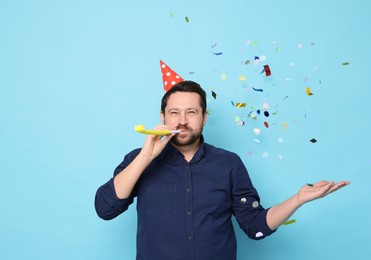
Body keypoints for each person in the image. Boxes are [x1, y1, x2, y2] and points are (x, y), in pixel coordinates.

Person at [94, 80, 349, 260]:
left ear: (204, 117)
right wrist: (146, 156)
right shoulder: (139, 160)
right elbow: (105, 208)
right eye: (174, 112)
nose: (182, 120)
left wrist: (298, 199)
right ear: (163, 118)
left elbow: (255, 226)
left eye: (191, 112)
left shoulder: (229, 164)